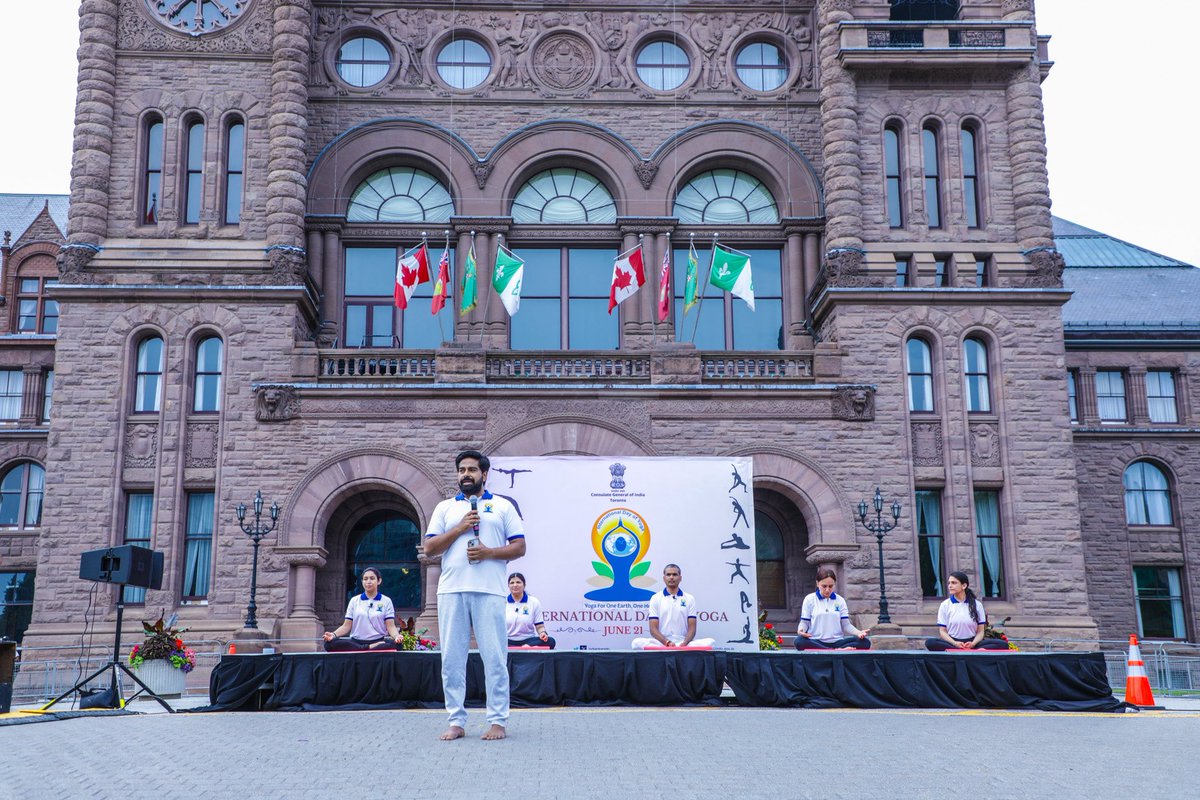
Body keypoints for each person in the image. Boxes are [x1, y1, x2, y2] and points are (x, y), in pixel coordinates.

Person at [423, 450, 526, 741]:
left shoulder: (503, 506)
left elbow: (519, 547)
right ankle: (456, 721)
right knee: (452, 660)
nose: (465, 474)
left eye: (471, 470)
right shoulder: (445, 508)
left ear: (484, 474)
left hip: (489, 590)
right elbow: (430, 548)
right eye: (461, 470)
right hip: (452, 590)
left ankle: (497, 721)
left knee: (494, 658)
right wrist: (460, 528)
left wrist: (489, 552)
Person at [631, 564, 715, 649]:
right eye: (668, 574)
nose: (671, 577)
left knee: (711, 642)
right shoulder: (655, 598)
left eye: (674, 574)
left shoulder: (689, 598)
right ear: (664, 578)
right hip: (662, 642)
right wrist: (667, 642)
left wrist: (684, 643)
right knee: (636, 643)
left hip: (683, 642)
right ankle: (672, 649)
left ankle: (678, 648)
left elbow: (692, 629)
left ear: (680, 578)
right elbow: (653, 629)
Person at [322, 567, 404, 651]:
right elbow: (346, 626)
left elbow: (390, 626)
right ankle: (368, 648)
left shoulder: (386, 601)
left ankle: (362, 649)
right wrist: (333, 635)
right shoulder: (354, 600)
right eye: (365, 579)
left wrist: (396, 636)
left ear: (379, 581)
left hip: (379, 641)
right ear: (362, 582)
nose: (368, 582)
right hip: (356, 642)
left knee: (398, 645)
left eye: (372, 578)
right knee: (329, 644)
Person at [925, 571, 1009, 651]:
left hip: (972, 642)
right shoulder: (945, 605)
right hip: (952, 642)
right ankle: (962, 650)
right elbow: (942, 631)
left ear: (964, 585)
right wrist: (955, 643)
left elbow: (980, 632)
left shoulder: (977, 605)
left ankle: (967, 650)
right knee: (930, 643)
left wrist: (973, 643)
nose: (950, 586)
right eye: (949, 583)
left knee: (1003, 644)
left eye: (954, 583)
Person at [795, 568, 871, 650]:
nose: (827, 590)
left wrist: (859, 633)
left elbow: (846, 625)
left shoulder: (840, 600)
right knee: (799, 641)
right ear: (817, 583)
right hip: (816, 641)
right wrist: (800, 631)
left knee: (865, 642)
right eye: (824, 586)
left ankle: (830, 650)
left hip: (837, 642)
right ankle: (835, 651)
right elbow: (804, 622)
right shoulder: (809, 599)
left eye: (830, 586)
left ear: (834, 584)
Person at [505, 572, 556, 649]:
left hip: (529, 640)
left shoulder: (534, 602)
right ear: (508, 586)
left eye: (518, 582)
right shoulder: (502, 602)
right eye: (512, 583)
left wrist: (542, 633)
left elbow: (540, 626)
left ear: (524, 585)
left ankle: (523, 648)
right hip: (508, 640)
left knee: (551, 641)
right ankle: (523, 649)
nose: (515, 585)